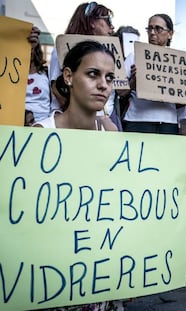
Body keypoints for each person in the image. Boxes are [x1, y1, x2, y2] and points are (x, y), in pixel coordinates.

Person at [33, 40, 120, 309]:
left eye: (109, 77)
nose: (103, 84)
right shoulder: (40, 135)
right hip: (50, 272)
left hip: (99, 266)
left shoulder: (113, 136)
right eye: (93, 74)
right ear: (69, 76)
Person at [48, 2, 122, 130]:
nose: (112, 27)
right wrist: (80, 115)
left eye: (109, 77)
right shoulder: (62, 50)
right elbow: (55, 88)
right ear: (92, 22)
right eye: (108, 21)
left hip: (106, 120)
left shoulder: (111, 53)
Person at [122, 13, 179, 134]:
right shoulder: (134, 56)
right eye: (150, 28)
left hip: (168, 123)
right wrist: (133, 81)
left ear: (170, 34)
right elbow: (120, 92)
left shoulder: (179, 61)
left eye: (158, 29)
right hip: (137, 121)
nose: (152, 33)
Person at [25, 26, 51, 122]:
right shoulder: (10, 74)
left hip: (44, 126)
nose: (29, 50)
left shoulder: (46, 72)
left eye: (32, 46)